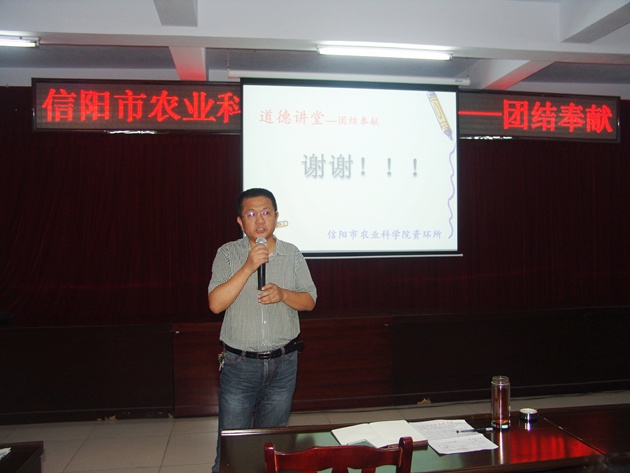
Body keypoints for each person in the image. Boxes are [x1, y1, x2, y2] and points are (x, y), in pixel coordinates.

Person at [208, 188, 317, 473]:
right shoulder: (228, 253)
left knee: (272, 446)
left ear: (276, 217)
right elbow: (216, 304)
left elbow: (309, 300)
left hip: (284, 364)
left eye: (266, 212)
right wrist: (249, 266)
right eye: (251, 214)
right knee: (232, 448)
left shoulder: (292, 254)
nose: (260, 220)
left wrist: (283, 294)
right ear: (240, 221)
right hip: (239, 365)